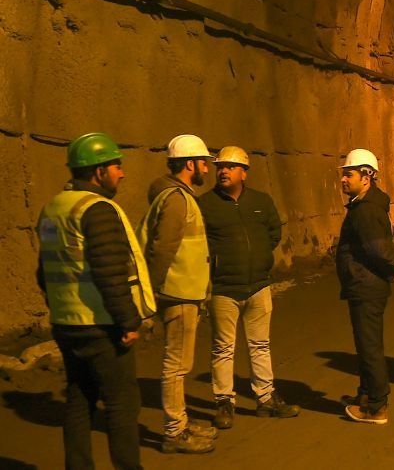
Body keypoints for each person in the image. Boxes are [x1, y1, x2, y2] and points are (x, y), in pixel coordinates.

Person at [36, 133, 156, 469]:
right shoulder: (97, 210)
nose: (122, 173)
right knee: (122, 405)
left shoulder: (52, 209)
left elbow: (44, 271)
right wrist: (128, 320)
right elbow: (109, 272)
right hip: (101, 324)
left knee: (78, 399)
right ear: (98, 172)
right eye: (116, 166)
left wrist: (60, 307)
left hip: (66, 324)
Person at [197, 146, 299, 429]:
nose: (223, 171)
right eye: (220, 167)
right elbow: (200, 243)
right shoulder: (205, 204)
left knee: (260, 345)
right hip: (224, 288)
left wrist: (260, 257)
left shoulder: (261, 201)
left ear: (244, 172)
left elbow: (273, 232)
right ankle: (224, 403)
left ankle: (265, 399)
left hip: (258, 286)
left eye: (230, 167)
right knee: (223, 348)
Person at [140, 134, 219, 453]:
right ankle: (175, 431)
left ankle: (181, 422)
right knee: (176, 364)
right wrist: (154, 292)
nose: (207, 169)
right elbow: (163, 249)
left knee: (179, 363)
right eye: (204, 163)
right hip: (178, 293)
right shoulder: (176, 199)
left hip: (184, 292)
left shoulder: (176, 196)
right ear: (190, 164)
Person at [336, 148, 394, 424]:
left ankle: (377, 406)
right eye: (343, 174)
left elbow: (375, 249)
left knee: (369, 347)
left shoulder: (365, 211)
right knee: (365, 345)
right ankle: (365, 395)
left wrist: (390, 270)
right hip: (365, 283)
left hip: (366, 285)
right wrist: (391, 269)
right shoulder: (366, 205)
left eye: (348, 174)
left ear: (366, 177)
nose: (343, 179)